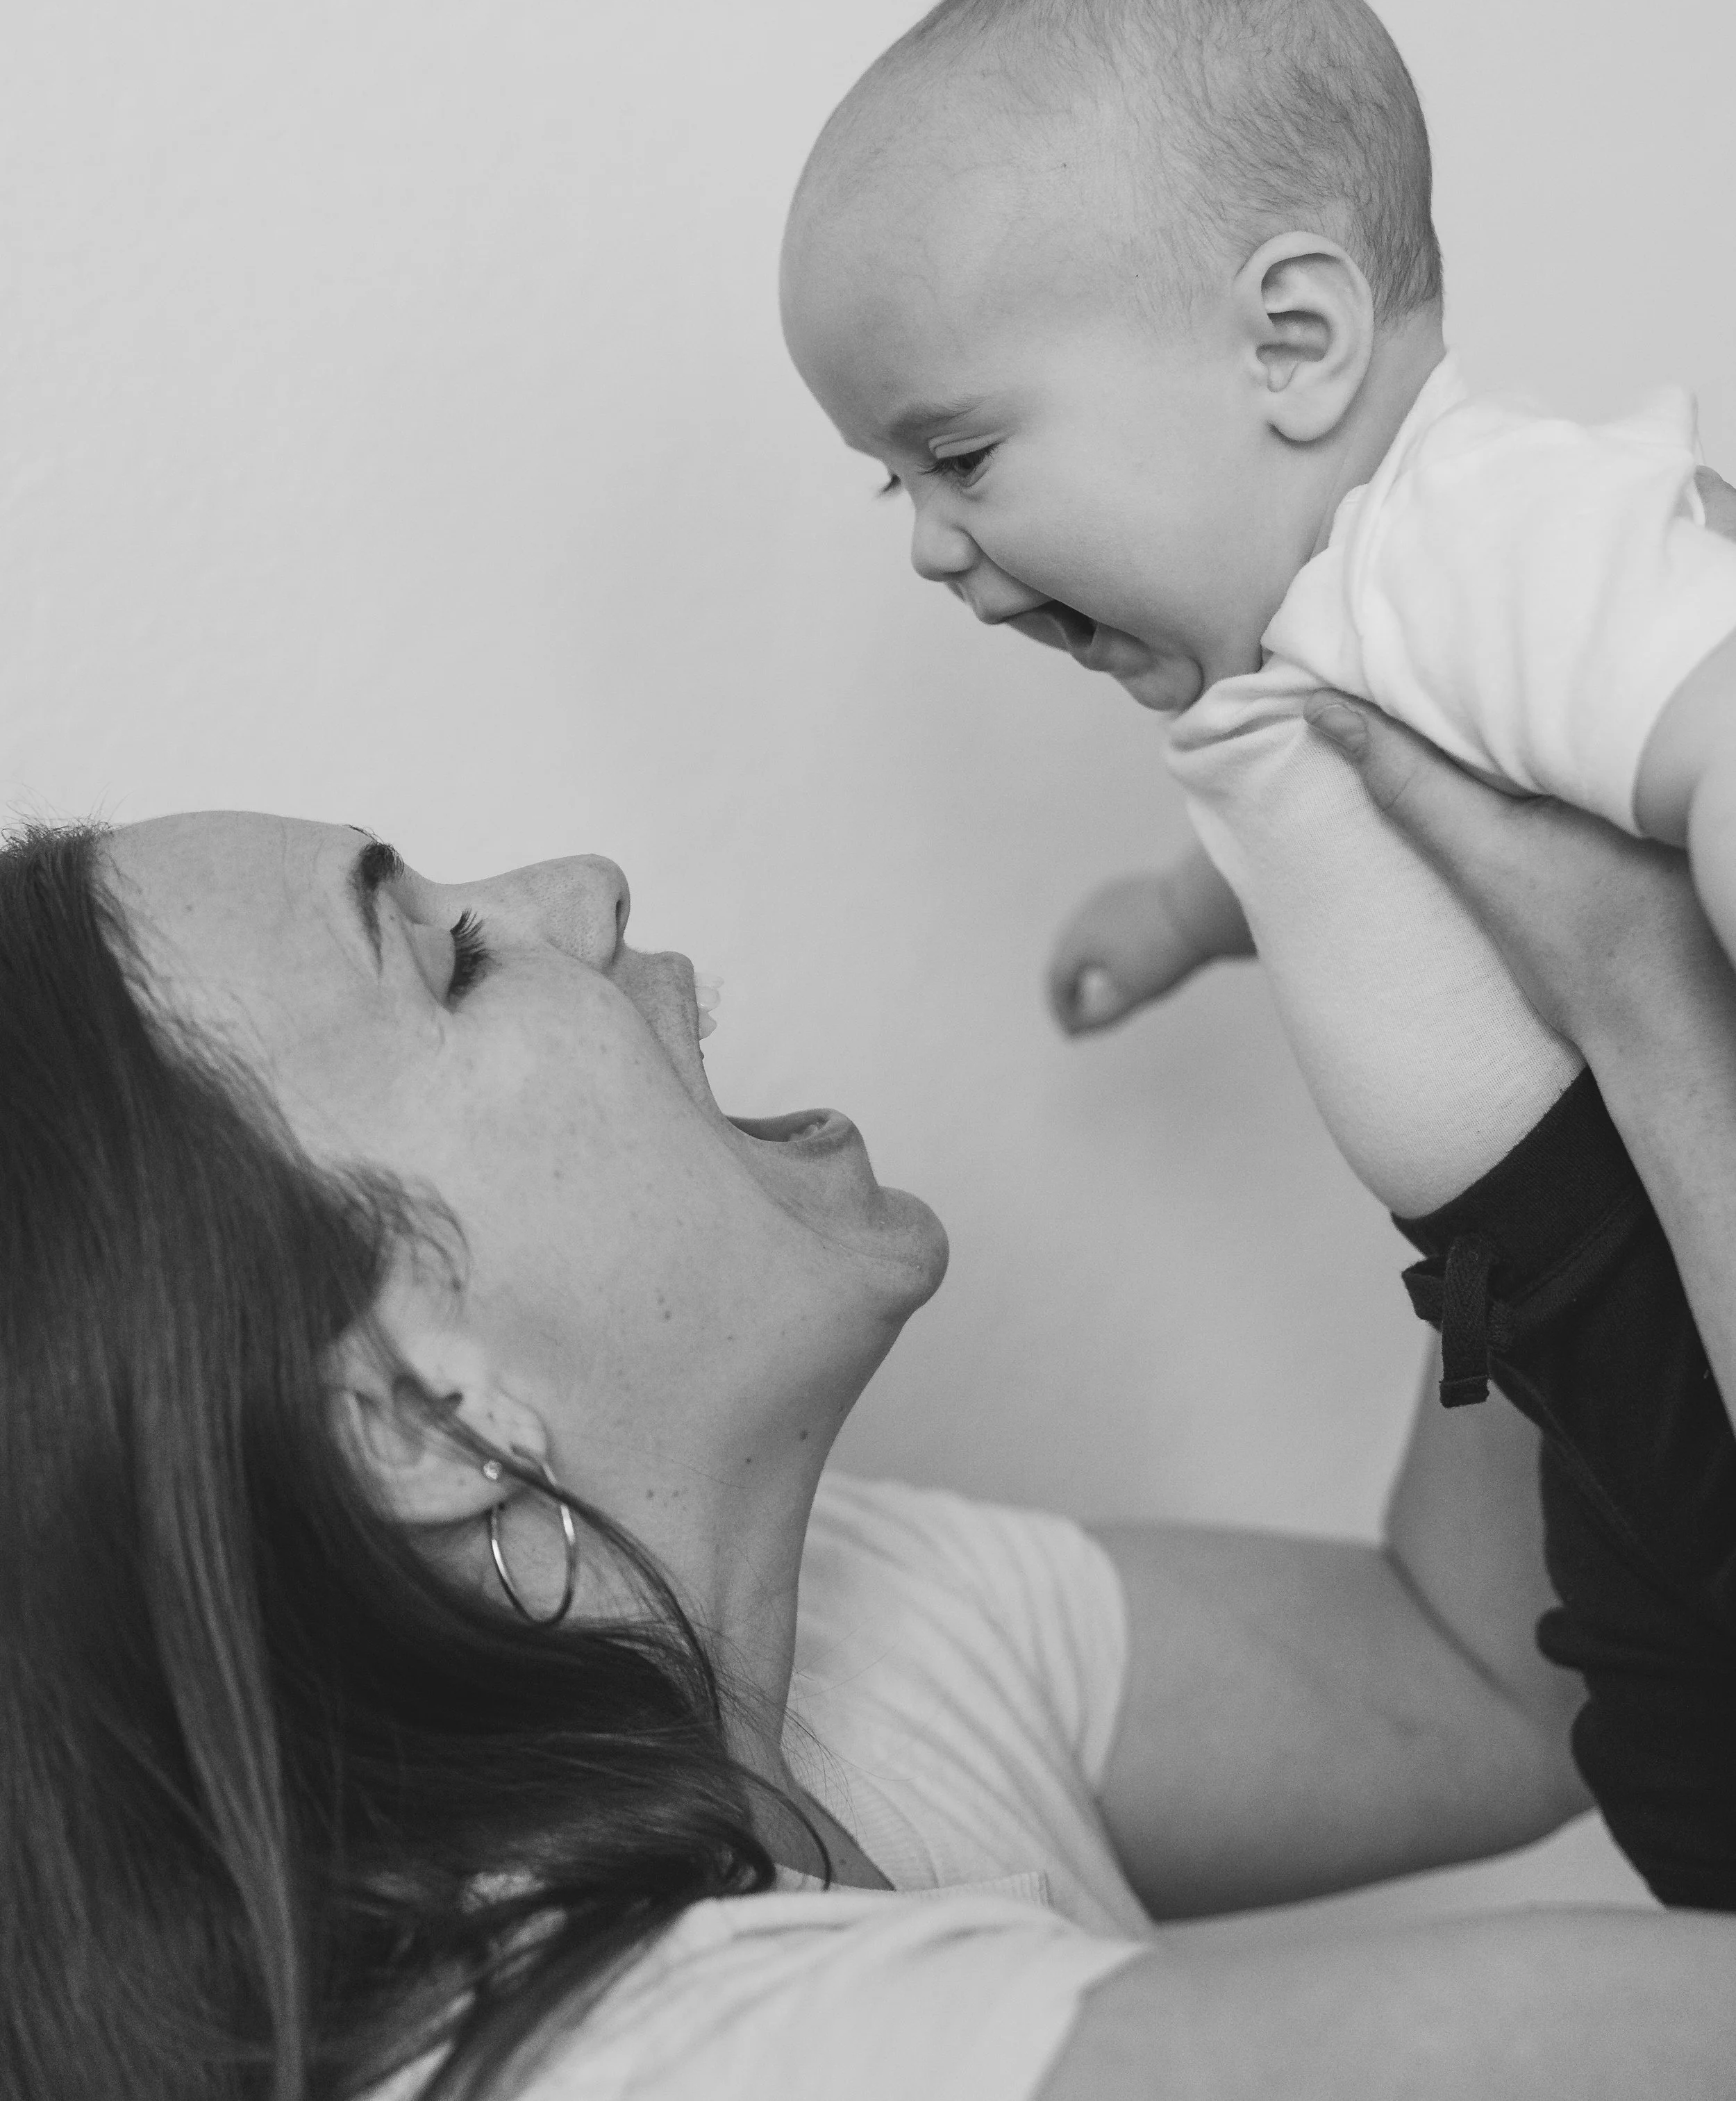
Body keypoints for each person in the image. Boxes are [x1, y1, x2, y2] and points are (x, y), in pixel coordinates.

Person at [6, 726, 1736, 2101]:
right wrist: (1655, 1008)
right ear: (407, 1420)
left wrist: (1499, 1057)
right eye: (448, 958)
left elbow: (1475, 1675)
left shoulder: (809, 1623)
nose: (582, 891)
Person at [776, 0, 1736, 1238]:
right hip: (1541, 1298)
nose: (931, 546)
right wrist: (1177, 916)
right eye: (897, 481)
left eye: (964, 457)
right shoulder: (1328, 616)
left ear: (1286, 344)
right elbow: (1327, 811)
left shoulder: (1471, 535)